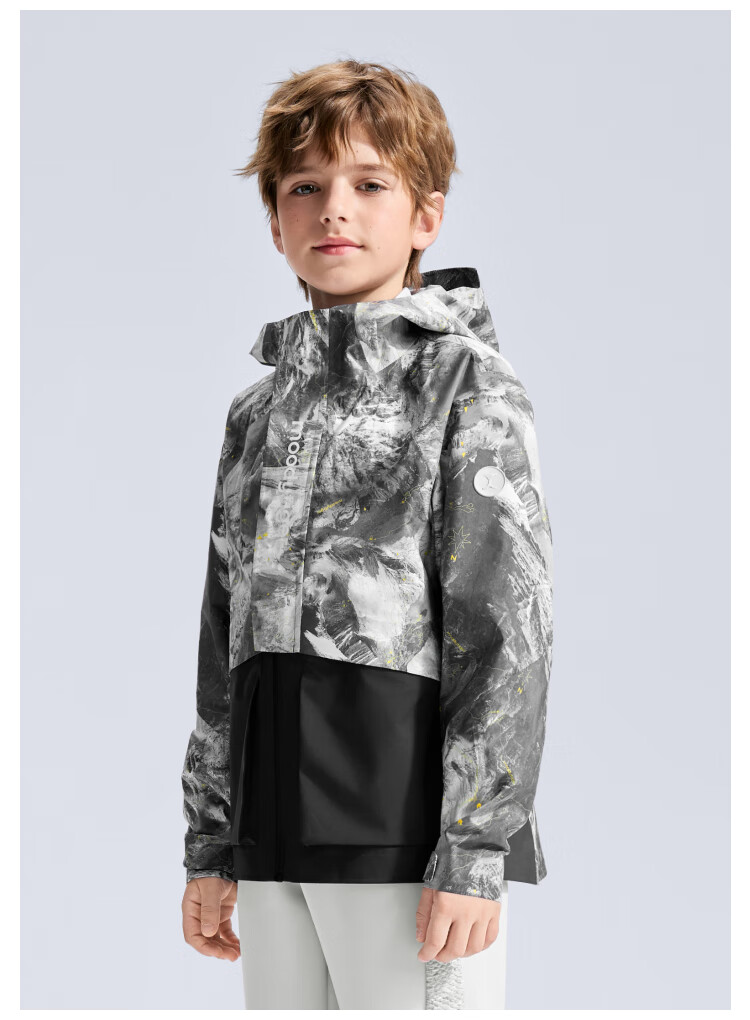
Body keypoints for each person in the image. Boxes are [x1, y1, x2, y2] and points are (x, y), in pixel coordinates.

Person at [180, 59, 554, 1010]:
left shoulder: (465, 384)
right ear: (275, 223)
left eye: (370, 184)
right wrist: (213, 842)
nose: (334, 209)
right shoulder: (256, 413)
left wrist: (474, 845)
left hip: (400, 827)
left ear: (426, 215)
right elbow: (224, 635)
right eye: (304, 187)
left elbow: (505, 626)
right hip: (271, 828)